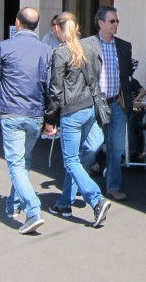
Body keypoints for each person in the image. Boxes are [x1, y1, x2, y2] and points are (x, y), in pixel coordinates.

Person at [0, 7, 52, 235]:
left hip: (11, 111)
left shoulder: (5, 46)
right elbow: (49, 85)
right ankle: (13, 204)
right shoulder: (45, 49)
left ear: (17, 23)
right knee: (23, 161)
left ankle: (33, 210)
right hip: (35, 112)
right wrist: (49, 117)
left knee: (16, 163)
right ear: (37, 25)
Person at [44, 11, 112, 226]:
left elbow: (55, 90)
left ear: (57, 28)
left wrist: (49, 119)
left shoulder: (60, 52)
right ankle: (64, 202)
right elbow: (97, 75)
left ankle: (96, 199)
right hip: (90, 108)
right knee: (76, 159)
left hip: (72, 111)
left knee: (71, 160)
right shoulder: (90, 47)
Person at [81, 5, 134, 201]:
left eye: (117, 21)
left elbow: (127, 73)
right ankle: (79, 181)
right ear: (100, 23)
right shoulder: (87, 45)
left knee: (116, 148)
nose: (116, 24)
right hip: (93, 103)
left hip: (115, 103)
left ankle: (113, 187)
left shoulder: (124, 46)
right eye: (112, 21)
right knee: (91, 147)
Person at [125, 59, 146, 159]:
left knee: (129, 126)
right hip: (127, 111)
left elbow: (143, 92)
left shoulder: (131, 80)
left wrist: (134, 101)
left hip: (136, 110)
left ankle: (134, 151)